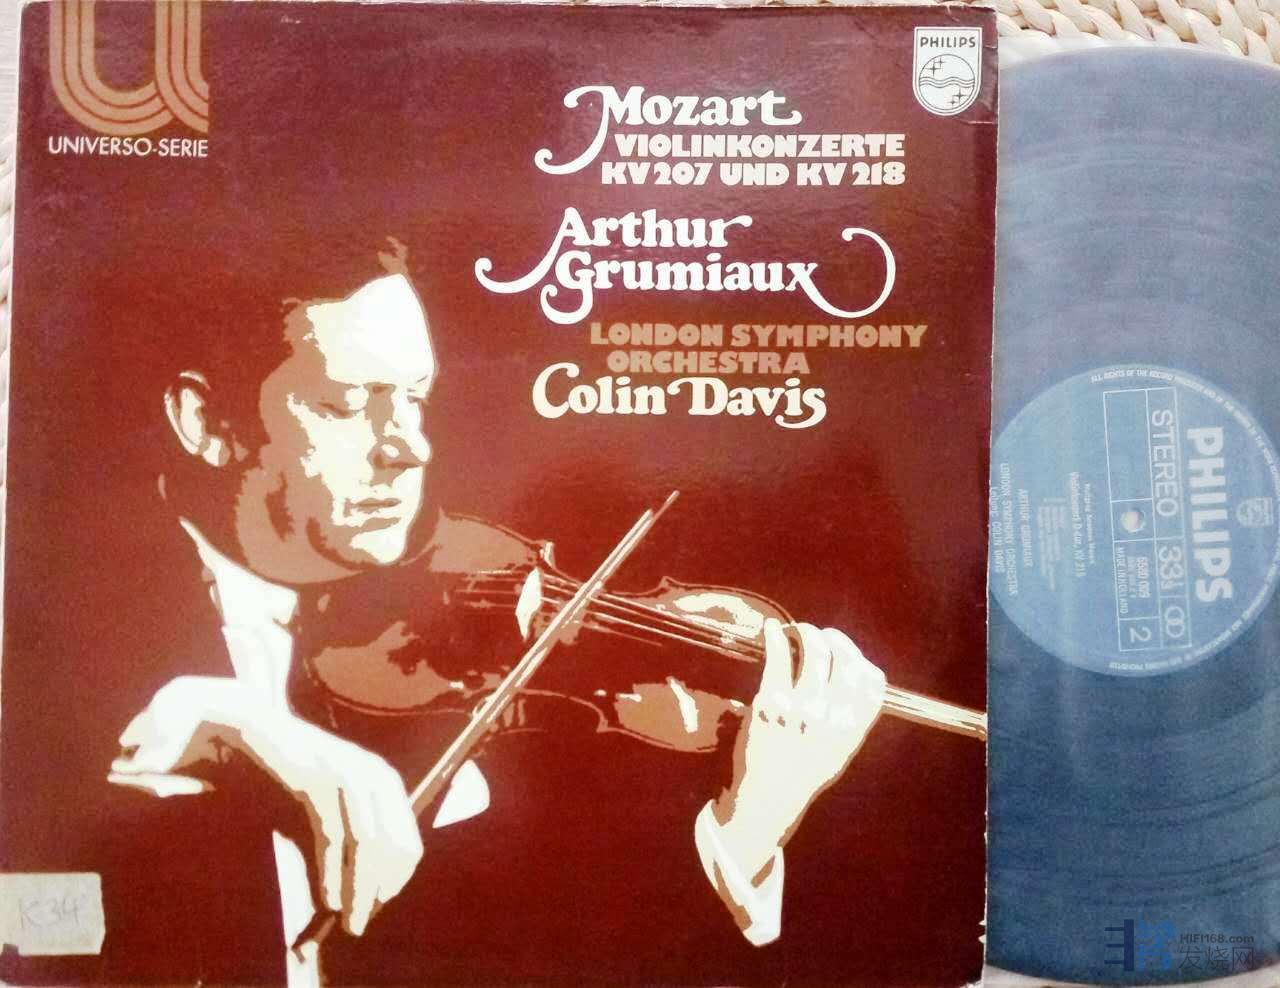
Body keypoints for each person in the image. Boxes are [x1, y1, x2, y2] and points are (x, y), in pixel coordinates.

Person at [101, 237, 887, 986]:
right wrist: (231, 719)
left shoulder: (427, 676)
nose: (409, 448)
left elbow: (531, 957)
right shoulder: (92, 609)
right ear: (207, 424)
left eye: (415, 398)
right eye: (345, 405)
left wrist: (748, 825)